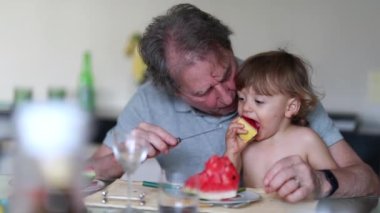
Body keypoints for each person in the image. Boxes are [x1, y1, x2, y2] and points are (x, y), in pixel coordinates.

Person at [89, 3, 379, 202]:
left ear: (229, 48)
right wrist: (127, 155)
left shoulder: (276, 89)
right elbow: (87, 176)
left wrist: (320, 181)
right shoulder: (149, 101)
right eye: (204, 92)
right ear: (172, 90)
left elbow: (367, 180)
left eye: (227, 72)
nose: (230, 97)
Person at [225, 50, 338, 196]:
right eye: (241, 98)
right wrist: (232, 152)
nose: (245, 108)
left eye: (258, 101)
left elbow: (332, 187)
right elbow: (225, 190)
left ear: (290, 107)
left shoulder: (306, 140)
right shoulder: (245, 145)